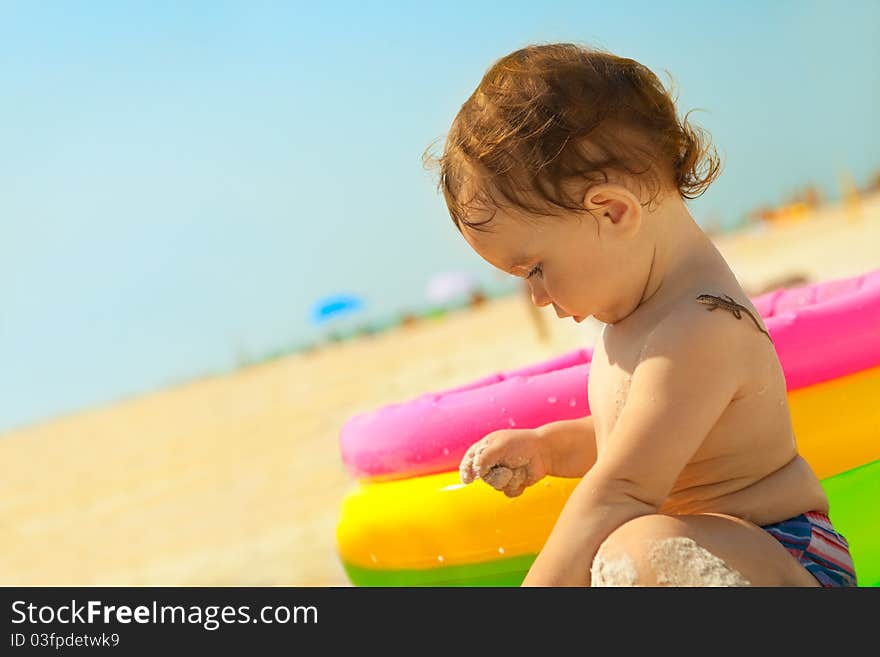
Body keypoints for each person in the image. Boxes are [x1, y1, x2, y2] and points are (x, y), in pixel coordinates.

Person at [422, 43, 856, 587]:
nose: (536, 297)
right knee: (625, 550)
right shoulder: (635, 319)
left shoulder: (702, 329)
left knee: (635, 548)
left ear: (612, 211)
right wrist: (550, 447)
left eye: (534, 268)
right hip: (714, 547)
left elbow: (620, 490)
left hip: (786, 557)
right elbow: (632, 439)